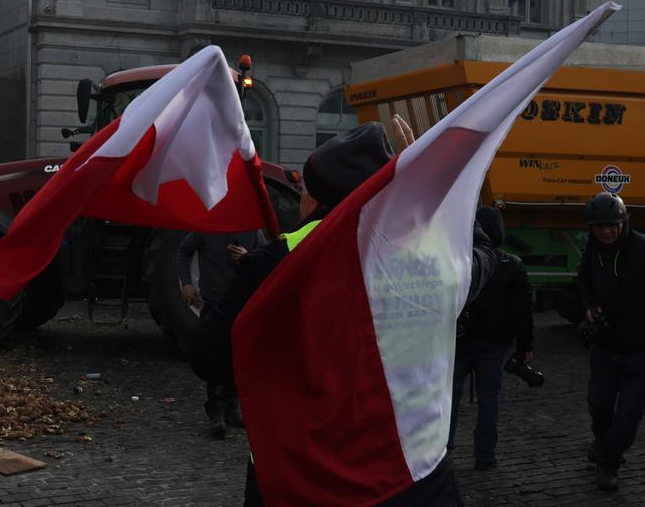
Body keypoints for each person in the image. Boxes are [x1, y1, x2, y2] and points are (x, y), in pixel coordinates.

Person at [191, 119, 499, 507]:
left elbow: (210, 357)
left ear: (315, 199)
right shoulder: (432, 257)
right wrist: (433, 186)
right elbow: (484, 254)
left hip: (301, 480)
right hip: (413, 481)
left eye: (304, 189)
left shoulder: (274, 264)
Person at [578, 192, 645, 492]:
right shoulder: (592, 249)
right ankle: (605, 445)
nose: (605, 231)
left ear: (625, 221)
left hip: (644, 351)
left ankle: (608, 464)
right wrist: (589, 307)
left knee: (628, 416)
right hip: (605, 347)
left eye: (611, 225)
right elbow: (584, 284)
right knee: (598, 407)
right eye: (598, 226)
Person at [449, 206, 535, 471]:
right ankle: (485, 454)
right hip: (494, 342)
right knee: (489, 400)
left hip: (459, 341)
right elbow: (522, 311)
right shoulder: (512, 265)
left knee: (450, 399)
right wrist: (525, 346)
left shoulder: (460, 261)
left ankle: (443, 453)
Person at [176, 229, 265, 439]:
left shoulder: (253, 229)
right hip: (214, 303)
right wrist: (186, 283)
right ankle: (217, 412)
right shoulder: (208, 227)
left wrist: (248, 257)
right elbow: (183, 250)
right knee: (214, 357)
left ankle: (232, 408)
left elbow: (266, 259)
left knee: (237, 356)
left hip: (241, 303)